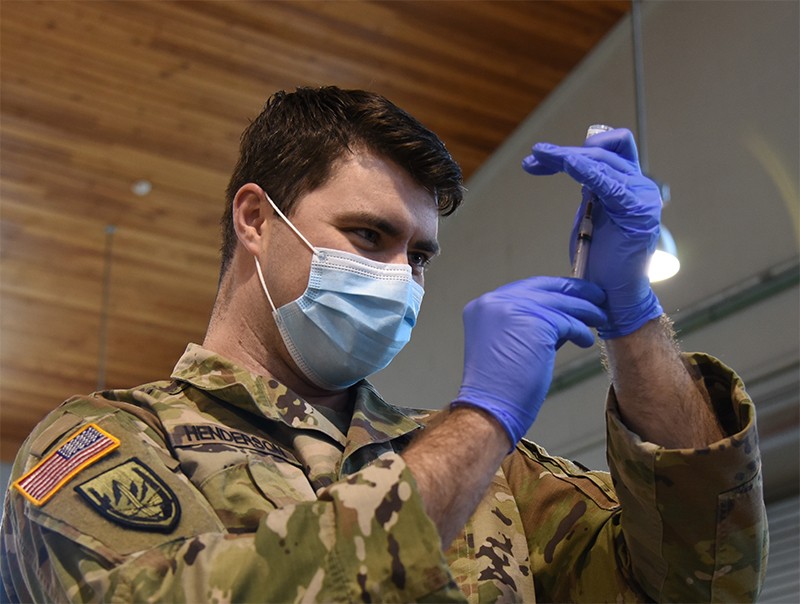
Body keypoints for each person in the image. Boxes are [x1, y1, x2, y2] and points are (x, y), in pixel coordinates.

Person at [1, 87, 767, 603]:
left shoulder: (495, 476)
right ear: (256, 221)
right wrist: (486, 418)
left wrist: (630, 319)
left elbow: (702, 576)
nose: (400, 276)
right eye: (369, 235)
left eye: (420, 256)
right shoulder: (107, 444)